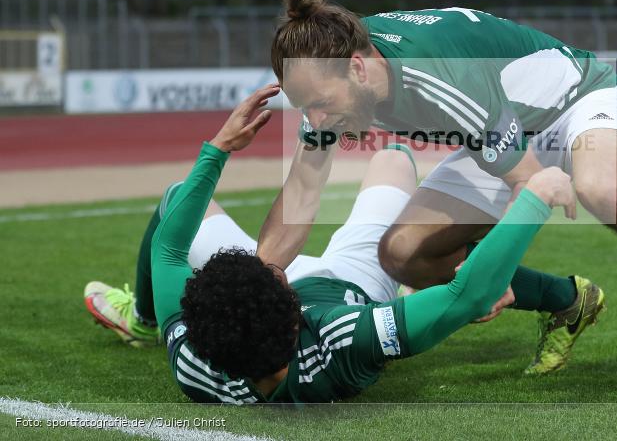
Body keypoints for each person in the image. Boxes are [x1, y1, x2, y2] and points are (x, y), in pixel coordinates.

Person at [267, 0, 617, 396]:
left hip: (578, 100)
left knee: (604, 192)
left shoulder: (434, 75)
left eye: (321, 105)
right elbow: (303, 190)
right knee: (404, 254)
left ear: (357, 67)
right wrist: (262, 276)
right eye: (305, 107)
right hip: (500, 125)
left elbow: (533, 184)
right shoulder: (330, 63)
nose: (316, 120)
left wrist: (487, 277)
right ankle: (569, 300)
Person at [84, 85, 581, 404]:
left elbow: (169, 249)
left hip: (257, 310)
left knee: (177, 199)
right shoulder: (342, 339)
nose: (276, 264)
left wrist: (218, 149)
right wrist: (534, 198)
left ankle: (144, 322)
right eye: (273, 271)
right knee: (393, 160)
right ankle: (567, 297)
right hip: (358, 279)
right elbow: (466, 297)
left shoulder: (197, 364)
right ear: (292, 308)